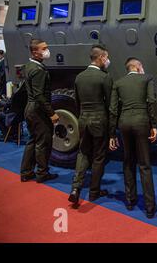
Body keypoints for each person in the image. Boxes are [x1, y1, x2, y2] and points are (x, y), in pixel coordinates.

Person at [109, 58, 157, 218]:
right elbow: (151, 101)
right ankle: (150, 207)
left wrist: (111, 133)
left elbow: (113, 109)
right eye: (141, 65)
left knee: (128, 161)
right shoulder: (147, 78)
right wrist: (154, 125)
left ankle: (130, 201)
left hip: (124, 123)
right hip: (141, 122)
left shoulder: (118, 83)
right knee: (144, 164)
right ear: (137, 66)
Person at [68, 45, 113, 204]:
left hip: (83, 120)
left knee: (83, 153)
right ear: (101, 57)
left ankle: (76, 188)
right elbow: (110, 104)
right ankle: (94, 191)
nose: (107, 61)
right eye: (106, 57)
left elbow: (77, 102)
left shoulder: (79, 77)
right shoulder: (104, 77)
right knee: (99, 157)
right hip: (99, 121)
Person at [20, 39, 60, 183]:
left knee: (33, 140)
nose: (47, 50)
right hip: (38, 111)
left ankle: (26, 172)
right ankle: (42, 173)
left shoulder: (29, 66)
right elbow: (39, 95)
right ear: (34, 51)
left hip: (30, 109)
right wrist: (52, 113)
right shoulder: (38, 70)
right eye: (44, 48)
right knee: (43, 142)